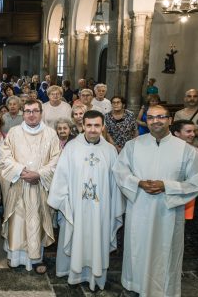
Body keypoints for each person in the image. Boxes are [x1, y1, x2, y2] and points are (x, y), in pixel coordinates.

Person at [111, 105, 198, 296]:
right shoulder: (133, 145)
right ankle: (135, 284)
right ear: (146, 121)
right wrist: (138, 183)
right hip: (140, 207)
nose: (156, 121)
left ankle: (164, 289)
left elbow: (197, 180)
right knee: (137, 247)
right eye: (151, 117)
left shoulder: (186, 150)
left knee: (166, 250)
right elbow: (120, 171)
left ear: (170, 120)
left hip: (168, 210)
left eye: (161, 117)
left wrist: (166, 186)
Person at [48, 110, 124, 291]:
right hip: (76, 207)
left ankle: (95, 277)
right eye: (89, 125)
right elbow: (61, 177)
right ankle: (74, 274)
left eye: (97, 125)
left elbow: (115, 183)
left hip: (101, 209)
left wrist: (114, 207)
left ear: (103, 126)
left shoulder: (110, 150)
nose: (92, 129)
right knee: (76, 236)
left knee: (98, 238)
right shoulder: (72, 148)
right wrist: (64, 202)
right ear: (82, 126)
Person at [0, 98, 61, 274]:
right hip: (19, 185)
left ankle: (35, 259)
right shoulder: (14, 132)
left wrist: (39, 174)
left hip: (40, 186)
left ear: (41, 113)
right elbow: (5, 157)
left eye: (35, 111)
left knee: (36, 221)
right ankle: (15, 257)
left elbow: (57, 159)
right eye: (28, 111)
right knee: (18, 222)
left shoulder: (50, 134)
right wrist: (21, 171)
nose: (31, 114)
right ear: (23, 113)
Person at [172, 119, 198, 219]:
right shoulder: (166, 149)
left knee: (183, 220)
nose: (193, 134)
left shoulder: (195, 150)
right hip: (170, 190)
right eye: (188, 131)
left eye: (193, 131)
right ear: (177, 133)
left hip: (187, 191)